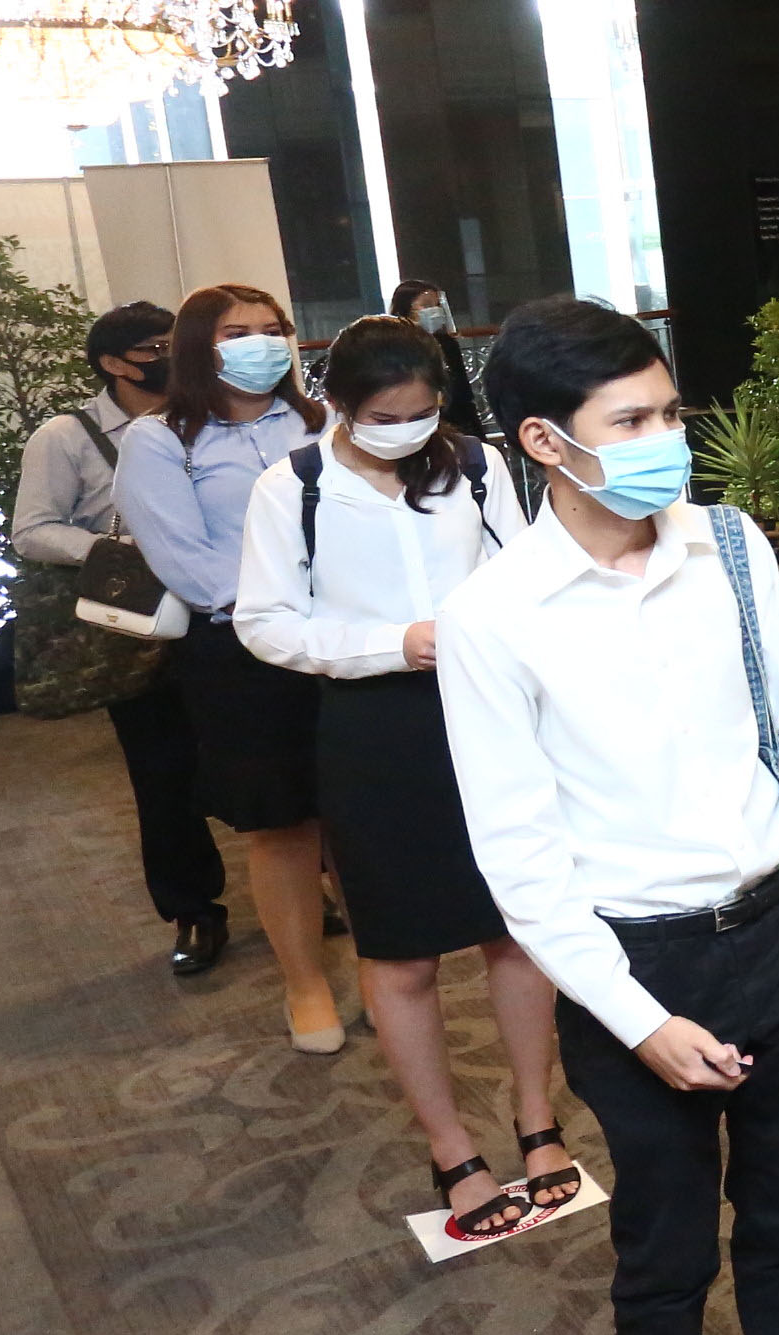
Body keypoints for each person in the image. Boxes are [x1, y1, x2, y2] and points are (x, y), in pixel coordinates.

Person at [436, 298, 779, 1335]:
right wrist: (636, 1021)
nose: (665, 441)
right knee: (666, 1246)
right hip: (634, 964)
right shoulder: (495, 616)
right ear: (544, 442)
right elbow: (521, 862)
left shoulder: (729, 549)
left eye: (670, 412)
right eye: (630, 421)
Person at [232, 316, 571, 1242]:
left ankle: (536, 1118)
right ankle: (451, 1146)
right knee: (401, 950)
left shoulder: (475, 464)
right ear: (338, 404)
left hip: (489, 714)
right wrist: (393, 643)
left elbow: (522, 576)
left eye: (422, 412)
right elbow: (264, 621)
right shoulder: (292, 487)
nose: (407, 430)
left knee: (517, 928)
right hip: (373, 727)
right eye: (385, 417)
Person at [114, 282, 345, 1054]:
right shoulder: (159, 440)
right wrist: (284, 607)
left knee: (357, 813)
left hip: (346, 637)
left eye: (273, 329)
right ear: (196, 347)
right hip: (242, 650)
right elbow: (185, 560)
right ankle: (306, 984)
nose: (262, 344)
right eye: (238, 332)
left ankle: (383, 965)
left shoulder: (322, 421)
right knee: (282, 823)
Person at [11, 299, 228, 976]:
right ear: (113, 363)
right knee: (162, 775)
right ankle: (193, 909)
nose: (171, 357)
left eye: (176, 343)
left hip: (224, 614)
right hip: (138, 626)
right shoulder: (66, 436)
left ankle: (309, 888)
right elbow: (32, 530)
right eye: (155, 349)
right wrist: (118, 550)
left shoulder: (213, 417)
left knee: (260, 753)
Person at [387, 280, 490, 437]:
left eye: (437, 305)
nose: (435, 311)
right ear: (405, 309)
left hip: (456, 422)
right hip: (418, 425)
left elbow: (463, 393)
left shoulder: (447, 343)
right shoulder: (395, 347)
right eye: (426, 305)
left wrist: (477, 434)